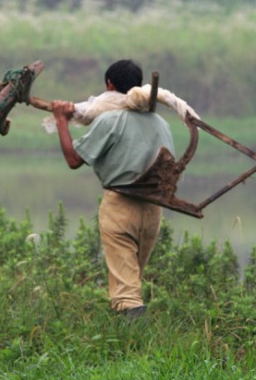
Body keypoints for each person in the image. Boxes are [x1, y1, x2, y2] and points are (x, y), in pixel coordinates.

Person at [52, 59, 175, 319]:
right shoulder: (160, 123)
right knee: (131, 279)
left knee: (126, 293)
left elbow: (74, 160)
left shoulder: (110, 120)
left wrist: (61, 121)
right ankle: (129, 339)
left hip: (121, 206)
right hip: (153, 210)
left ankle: (136, 349)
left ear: (109, 85)